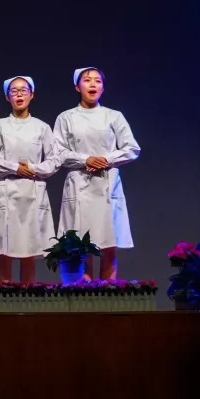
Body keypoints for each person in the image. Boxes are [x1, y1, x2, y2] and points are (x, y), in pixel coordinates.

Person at [53, 67, 141, 280]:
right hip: (78, 182)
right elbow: (58, 152)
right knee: (79, 241)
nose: (92, 84)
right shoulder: (66, 117)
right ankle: (83, 290)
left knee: (108, 239)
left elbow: (132, 148)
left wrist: (105, 160)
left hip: (107, 181)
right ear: (77, 87)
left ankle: (109, 289)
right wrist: (86, 159)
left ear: (103, 87)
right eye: (87, 80)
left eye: (97, 81)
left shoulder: (114, 116)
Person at [0, 77, 59, 283]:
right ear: (8, 97)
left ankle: (28, 294)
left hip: (32, 191)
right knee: (4, 249)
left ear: (32, 95)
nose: (19, 94)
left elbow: (54, 160)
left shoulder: (42, 127)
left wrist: (32, 169)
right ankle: (2, 295)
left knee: (29, 248)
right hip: (6, 190)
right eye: (14, 91)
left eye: (24, 90)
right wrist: (15, 168)